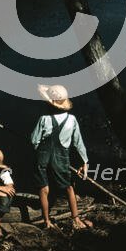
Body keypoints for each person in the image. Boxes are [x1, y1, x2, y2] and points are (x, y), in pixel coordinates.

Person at [31, 84, 93, 230]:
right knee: (69, 188)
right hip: (61, 157)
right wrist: (85, 161)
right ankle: (76, 219)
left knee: (44, 189)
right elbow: (78, 142)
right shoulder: (71, 120)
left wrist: (40, 150)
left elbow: (34, 140)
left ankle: (47, 221)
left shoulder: (44, 119)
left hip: (43, 156)